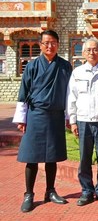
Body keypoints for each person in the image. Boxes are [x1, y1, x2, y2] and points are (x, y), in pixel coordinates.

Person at [12, 30, 72, 212]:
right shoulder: (32, 66)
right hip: (36, 114)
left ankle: (50, 191)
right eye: (46, 43)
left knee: (52, 156)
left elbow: (70, 94)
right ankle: (29, 194)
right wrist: (22, 118)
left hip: (56, 115)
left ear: (58, 44)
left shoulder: (65, 66)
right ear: (40, 45)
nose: (50, 46)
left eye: (53, 42)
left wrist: (70, 117)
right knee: (32, 156)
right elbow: (23, 92)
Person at [66, 38, 98, 206]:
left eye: (95, 49)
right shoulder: (77, 73)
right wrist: (72, 121)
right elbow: (71, 98)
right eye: (88, 50)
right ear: (83, 53)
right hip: (83, 121)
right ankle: (86, 190)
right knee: (84, 158)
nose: (92, 53)